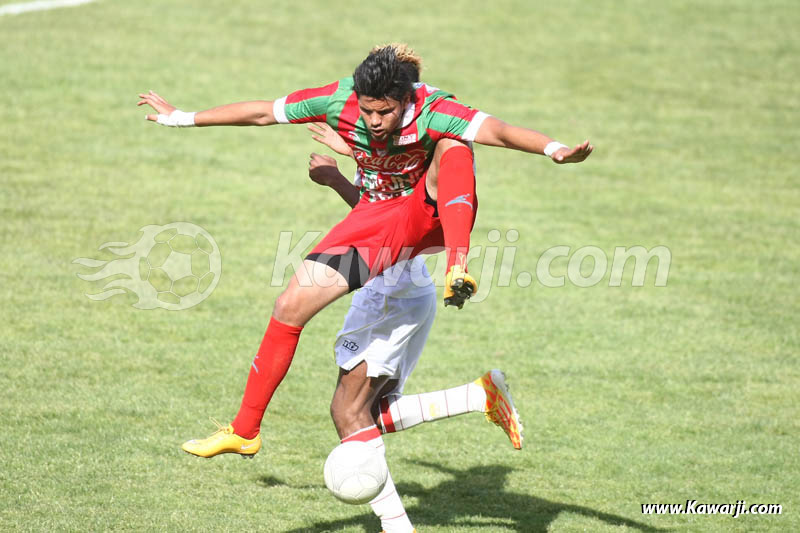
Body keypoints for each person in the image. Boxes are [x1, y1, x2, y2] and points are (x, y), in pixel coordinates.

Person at [138, 43, 592, 464]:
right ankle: (244, 430)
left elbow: (500, 130)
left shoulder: (435, 109)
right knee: (291, 306)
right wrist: (180, 117)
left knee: (456, 144)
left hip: (426, 214)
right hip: (376, 221)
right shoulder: (339, 101)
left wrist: (554, 150)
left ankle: (459, 263)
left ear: (406, 99)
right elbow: (262, 112)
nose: (374, 121)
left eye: (385, 112)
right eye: (369, 111)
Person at [305, 131, 522, 532]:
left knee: (347, 412)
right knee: (371, 414)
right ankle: (478, 395)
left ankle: (398, 527)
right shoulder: (407, 150)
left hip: (389, 293)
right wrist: (353, 151)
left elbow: (384, 225)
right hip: (398, 288)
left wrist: (336, 178)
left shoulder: (414, 160)